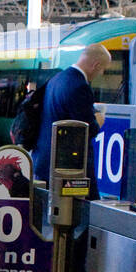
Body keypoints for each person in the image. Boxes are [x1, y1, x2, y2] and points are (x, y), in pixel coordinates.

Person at [31, 42, 107, 185]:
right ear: (96, 65)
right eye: (103, 69)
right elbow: (86, 130)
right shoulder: (80, 86)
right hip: (66, 167)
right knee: (83, 206)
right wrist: (98, 121)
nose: (101, 73)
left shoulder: (56, 79)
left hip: (44, 161)